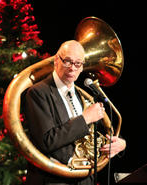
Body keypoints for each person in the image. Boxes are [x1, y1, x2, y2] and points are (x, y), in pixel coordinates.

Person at [23, 40, 126, 185]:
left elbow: (103, 131)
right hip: (54, 180)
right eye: (68, 61)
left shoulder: (82, 94)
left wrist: (119, 143)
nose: (72, 68)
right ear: (56, 60)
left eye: (78, 63)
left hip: (86, 179)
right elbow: (47, 140)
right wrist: (84, 119)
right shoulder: (38, 93)